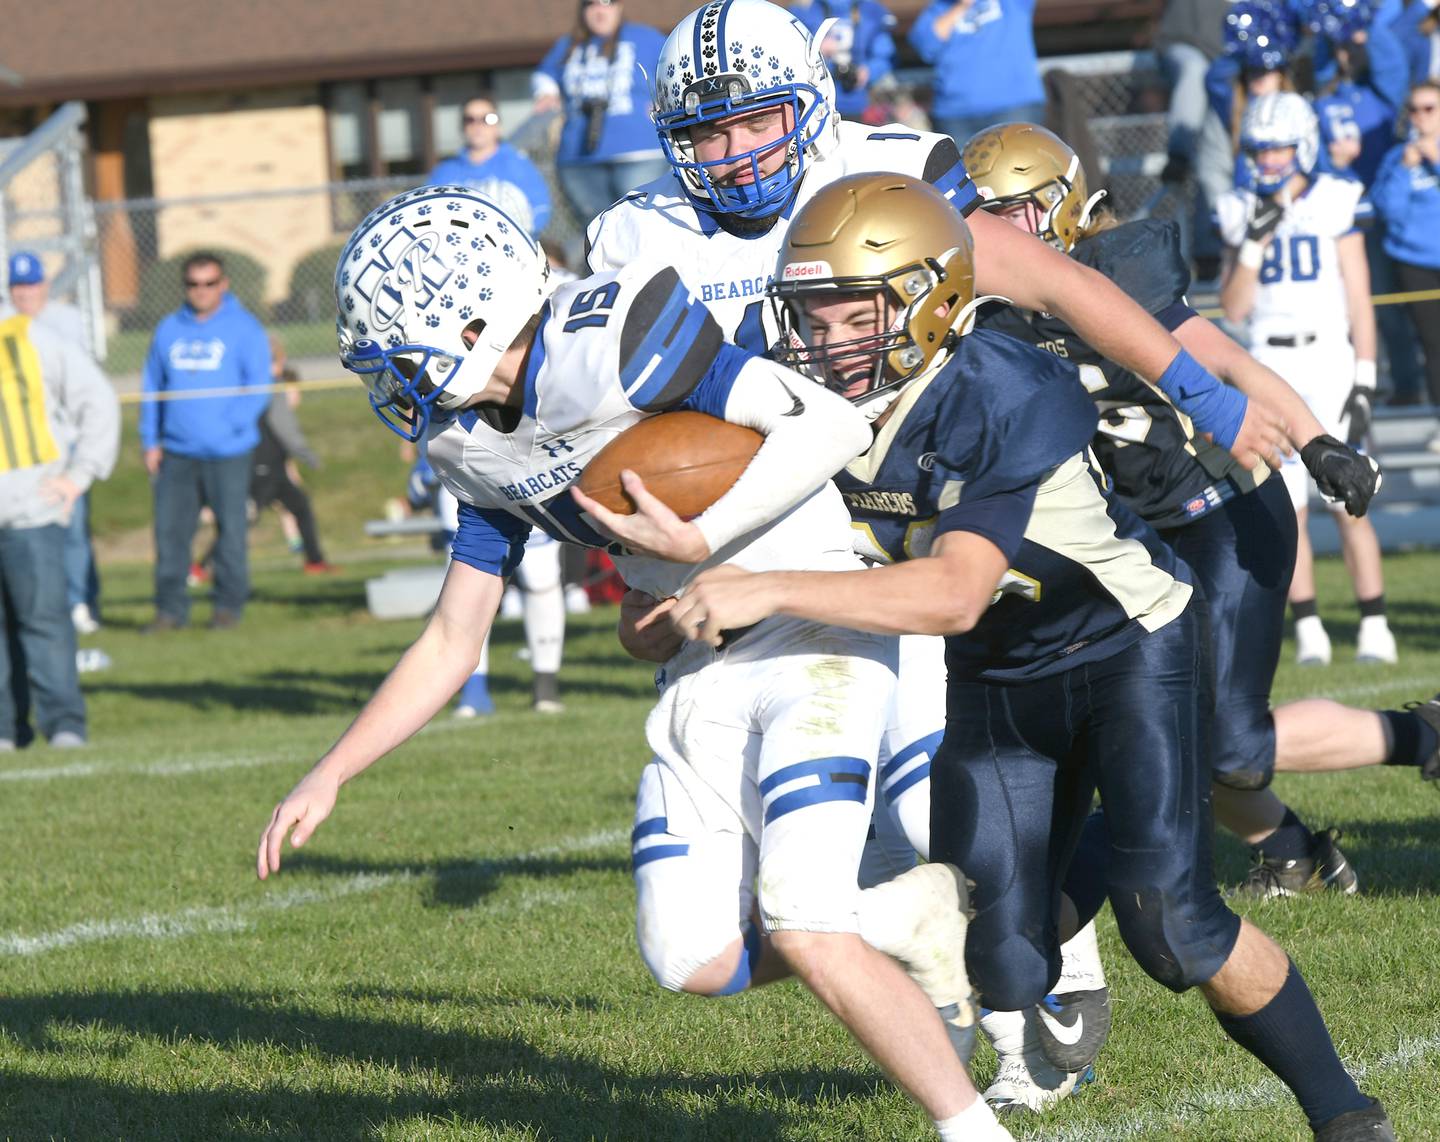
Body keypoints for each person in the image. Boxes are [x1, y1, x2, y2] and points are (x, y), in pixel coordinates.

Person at [262, 185, 1007, 1141]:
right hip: (700, 656)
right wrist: (334, 769)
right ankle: (905, 919)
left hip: (813, 616)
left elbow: (830, 427)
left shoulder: (613, 333)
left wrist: (704, 541)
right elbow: (455, 636)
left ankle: (973, 1126)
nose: (387, 376)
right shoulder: (467, 448)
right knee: (690, 956)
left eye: (396, 345)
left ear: (473, 315)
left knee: (803, 919)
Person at [670, 171, 1395, 1142]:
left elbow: (954, 589)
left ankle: (1348, 1112)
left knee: (1172, 930)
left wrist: (767, 589)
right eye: (811, 311)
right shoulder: (798, 389)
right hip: (998, 684)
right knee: (1005, 964)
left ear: (930, 300)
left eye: (853, 310)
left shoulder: (1004, 382)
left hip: (1123, 647)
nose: (826, 336)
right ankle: (1142, 827)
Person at [964, 122, 1437, 908]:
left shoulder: (1116, 266)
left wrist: (1318, 442)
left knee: (1232, 745)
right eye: (984, 213)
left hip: (1218, 511)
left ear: (1063, 206)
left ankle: (1419, 738)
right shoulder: (981, 306)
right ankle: (1292, 853)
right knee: (1150, 727)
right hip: (1126, 538)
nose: (998, 233)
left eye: (1016, 211)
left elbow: (1225, 360)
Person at [1218, 93, 1396, 667]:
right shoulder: (1240, 207)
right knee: (1287, 505)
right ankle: (1311, 627)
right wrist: (1253, 242)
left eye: (1279, 148)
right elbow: (1234, 308)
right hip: (1269, 363)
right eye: (1260, 149)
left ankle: (1374, 623)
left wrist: (1364, 380)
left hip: (1328, 360)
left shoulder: (1335, 199)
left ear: (1304, 146)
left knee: (1350, 493)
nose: (1268, 160)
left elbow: (1360, 299)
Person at [0, 306, 118, 750]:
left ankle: (64, 725)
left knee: (44, 621)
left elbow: (97, 398)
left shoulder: (27, 336)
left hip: (31, 511)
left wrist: (79, 474)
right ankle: (5, 731)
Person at [139, 252, 271, 631]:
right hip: (176, 452)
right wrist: (151, 440)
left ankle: (228, 606)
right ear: (185, 287)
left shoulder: (245, 329)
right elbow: (153, 388)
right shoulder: (167, 329)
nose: (201, 291)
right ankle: (169, 611)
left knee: (230, 532)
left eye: (209, 283)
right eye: (194, 284)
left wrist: (231, 425)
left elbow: (259, 387)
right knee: (170, 533)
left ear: (223, 284)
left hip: (228, 451)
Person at [3, 251, 104, 634]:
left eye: (31, 284)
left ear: (45, 285)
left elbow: (88, 390)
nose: (26, 293)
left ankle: (78, 600)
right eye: (18, 285)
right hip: (24, 456)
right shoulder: (6, 326)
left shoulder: (65, 323)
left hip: (65, 445)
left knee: (73, 530)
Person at [531, 0, 669, 225]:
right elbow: (544, 74)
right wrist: (547, 92)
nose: (599, 9)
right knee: (597, 232)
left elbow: (674, 68)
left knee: (643, 225)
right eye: (591, 4)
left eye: (607, 2)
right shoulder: (569, 45)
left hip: (639, 154)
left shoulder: (645, 38)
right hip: (578, 159)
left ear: (619, 6)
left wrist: (666, 101)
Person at [1371, 80, 1440, 440]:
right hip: (1416, 264)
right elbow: (1389, 210)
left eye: (1430, 108)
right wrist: (1403, 168)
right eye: (1414, 109)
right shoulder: (1396, 157)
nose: (1421, 117)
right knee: (1434, 344)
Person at [1154, 0, 1231, 279]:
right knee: (1195, 72)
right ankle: (1179, 153)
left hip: (1228, 59)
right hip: (1185, 44)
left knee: (1213, 157)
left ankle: (1209, 252)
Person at [906, 0, 1045, 146]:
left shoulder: (1010, 4)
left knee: (1020, 163)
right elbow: (926, 46)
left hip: (1015, 106)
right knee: (959, 168)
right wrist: (963, 5)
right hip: (955, 114)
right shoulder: (939, 7)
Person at [427, 95, 552, 235]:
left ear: (499, 126)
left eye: (487, 119)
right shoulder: (444, 172)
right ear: (462, 126)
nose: (478, 126)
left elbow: (540, 209)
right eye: (470, 119)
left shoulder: (518, 165)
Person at [790, 0, 898, 122]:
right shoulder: (804, 9)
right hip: (813, 102)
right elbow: (788, 50)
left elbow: (885, 55)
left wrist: (868, 71)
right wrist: (813, 48)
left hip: (857, 101)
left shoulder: (871, 10)